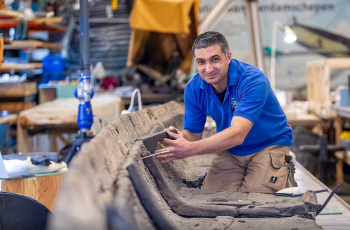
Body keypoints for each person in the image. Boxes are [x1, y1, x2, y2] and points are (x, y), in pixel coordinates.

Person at [156, 31, 294, 193]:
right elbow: (193, 135)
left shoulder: (253, 80)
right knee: (212, 199)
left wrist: (190, 149)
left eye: (215, 59)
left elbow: (238, 133)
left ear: (228, 57)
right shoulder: (194, 89)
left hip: (269, 145)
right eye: (201, 62)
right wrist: (175, 140)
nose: (208, 69)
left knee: (255, 201)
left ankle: (282, 171)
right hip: (231, 150)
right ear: (195, 62)